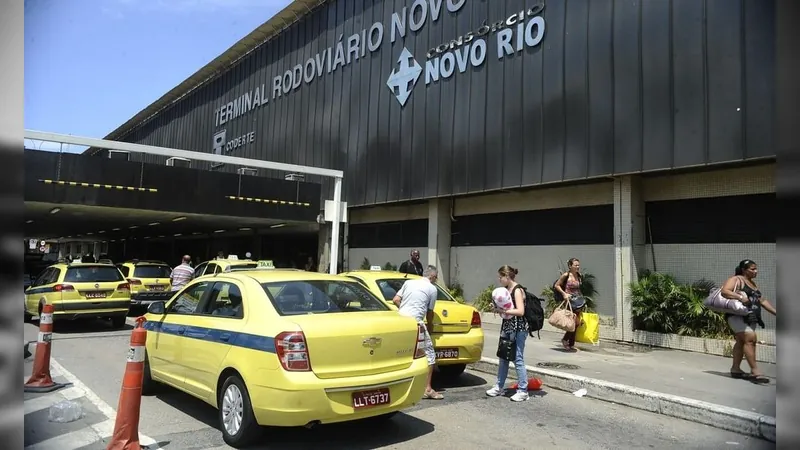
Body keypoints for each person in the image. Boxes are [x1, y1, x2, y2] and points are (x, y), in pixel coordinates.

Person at [392, 265, 443, 400]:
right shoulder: (432, 289)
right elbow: (430, 312)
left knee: (402, 353)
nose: (435, 280)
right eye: (436, 277)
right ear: (432, 276)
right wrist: (430, 327)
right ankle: (427, 389)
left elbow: (396, 299)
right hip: (416, 323)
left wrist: (404, 310)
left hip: (402, 322)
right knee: (430, 355)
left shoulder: (409, 283)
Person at [720, 259, 776, 383]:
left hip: (751, 317)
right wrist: (740, 297)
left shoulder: (753, 284)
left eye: (756, 269)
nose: (756, 271)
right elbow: (724, 291)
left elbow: (762, 301)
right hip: (737, 316)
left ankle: (735, 369)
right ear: (744, 270)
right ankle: (755, 371)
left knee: (741, 342)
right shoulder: (736, 279)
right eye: (753, 269)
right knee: (750, 339)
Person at [486, 265, 529, 402]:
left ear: (507, 276)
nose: (499, 279)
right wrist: (497, 308)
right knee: (503, 357)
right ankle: (499, 386)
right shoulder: (505, 290)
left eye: (500, 277)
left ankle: (523, 390)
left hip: (518, 329)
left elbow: (520, 311)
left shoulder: (517, 290)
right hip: (508, 327)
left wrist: (502, 311)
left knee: (517, 358)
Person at [554, 258, 585, 351]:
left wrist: (582, 299)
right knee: (574, 323)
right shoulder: (566, 275)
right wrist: (564, 294)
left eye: (578, 265)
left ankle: (571, 344)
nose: (577, 267)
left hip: (578, 301)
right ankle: (565, 339)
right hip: (569, 301)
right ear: (570, 266)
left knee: (577, 323)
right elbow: (557, 285)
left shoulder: (579, 275)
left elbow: (578, 288)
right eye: (575, 265)